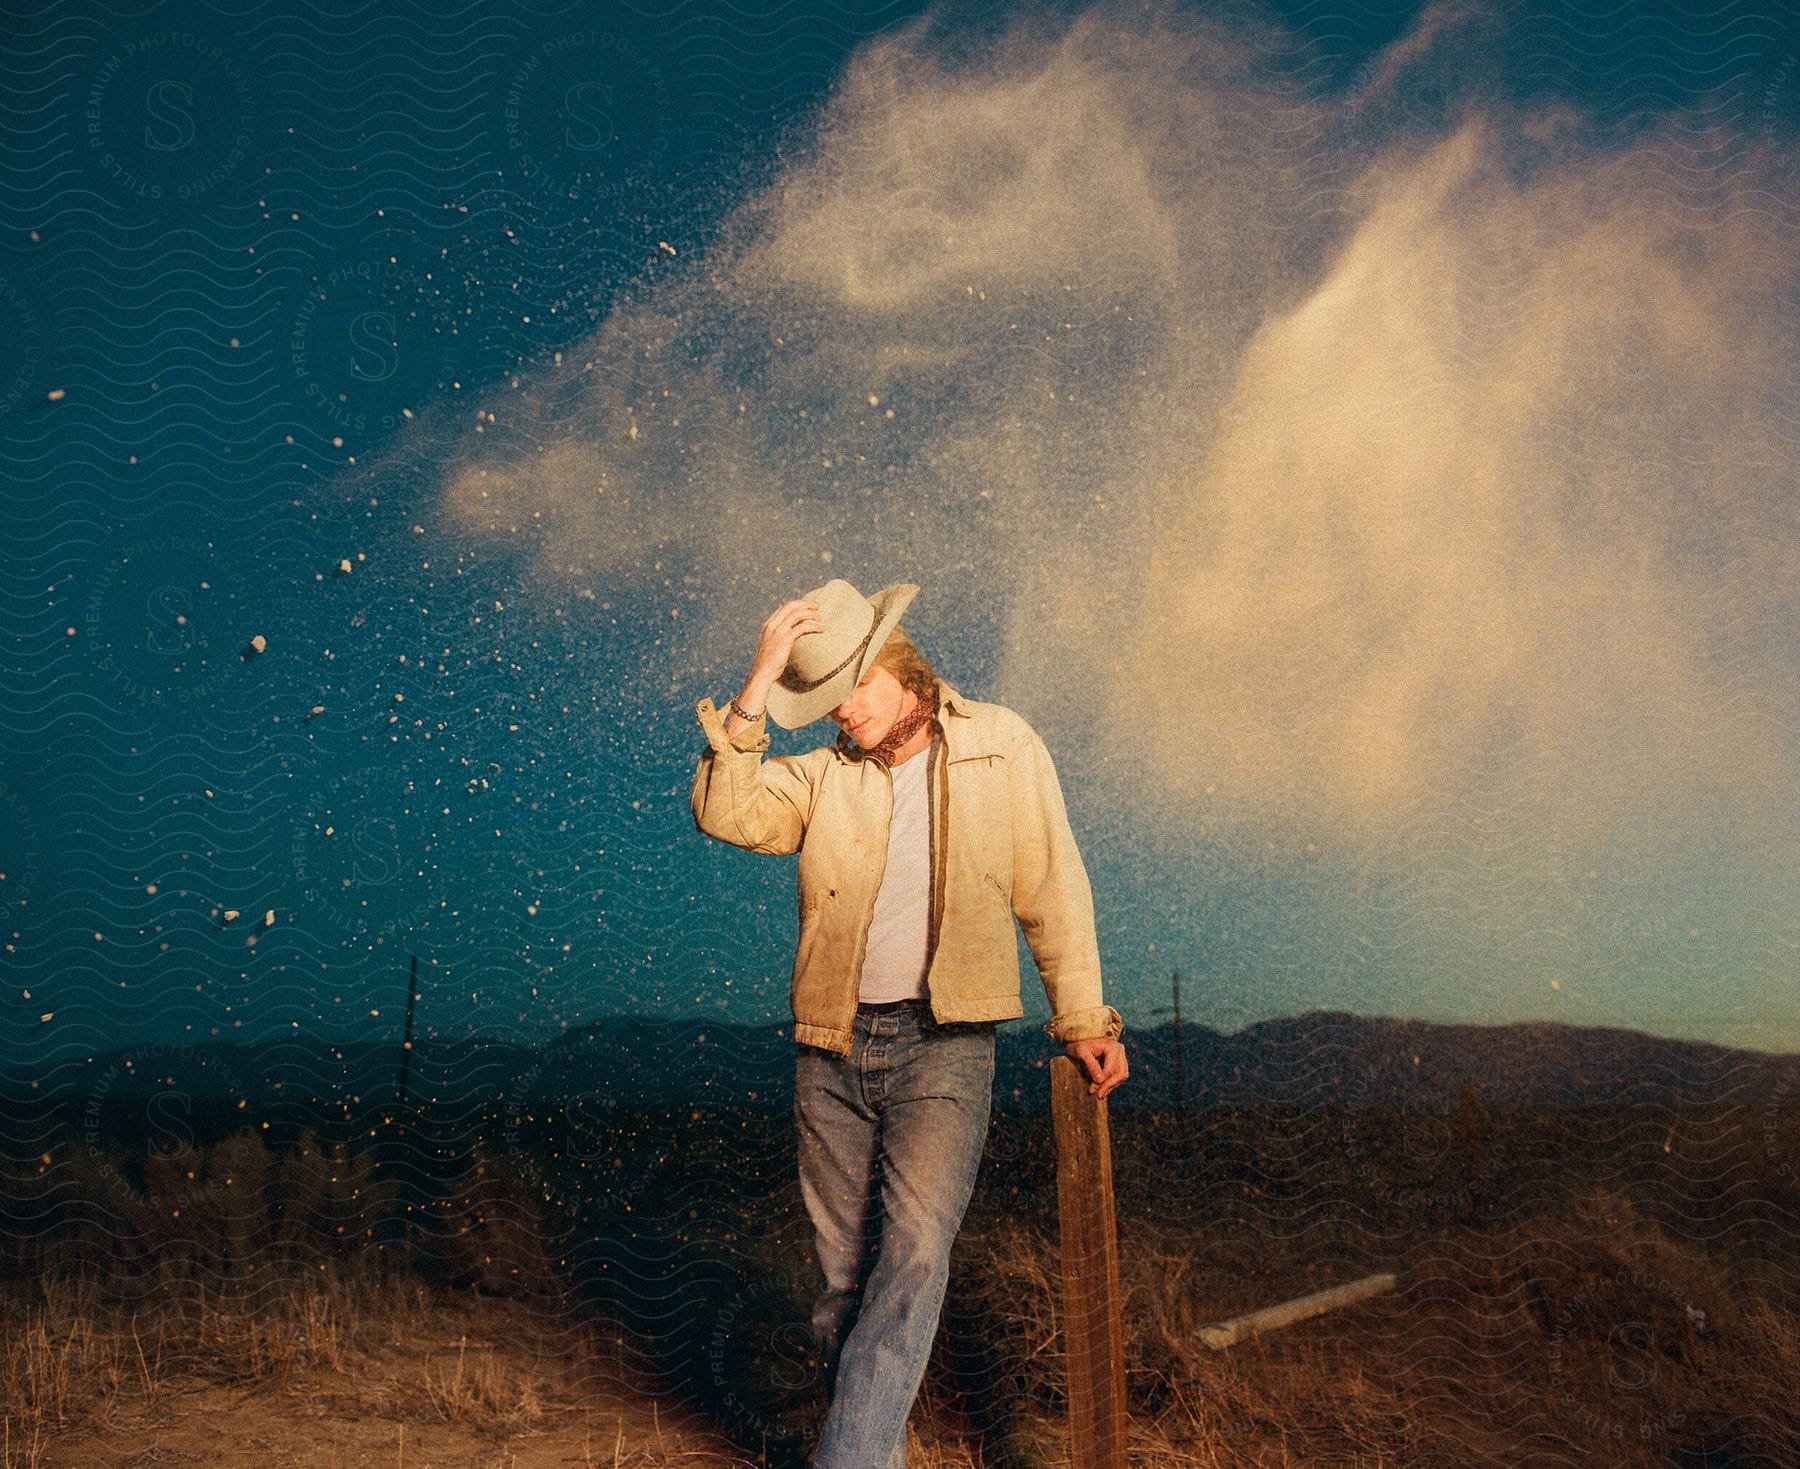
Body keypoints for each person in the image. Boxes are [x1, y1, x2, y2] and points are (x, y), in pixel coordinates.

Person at [690, 578, 1128, 1469]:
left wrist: (1080, 1013)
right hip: (832, 1044)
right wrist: (759, 679)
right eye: (819, 700)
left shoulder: (1002, 746)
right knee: (843, 1288)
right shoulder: (820, 776)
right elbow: (722, 809)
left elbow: (1053, 884)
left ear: (897, 667)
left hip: (947, 1042)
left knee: (917, 1256)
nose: (837, 714)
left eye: (848, 689)